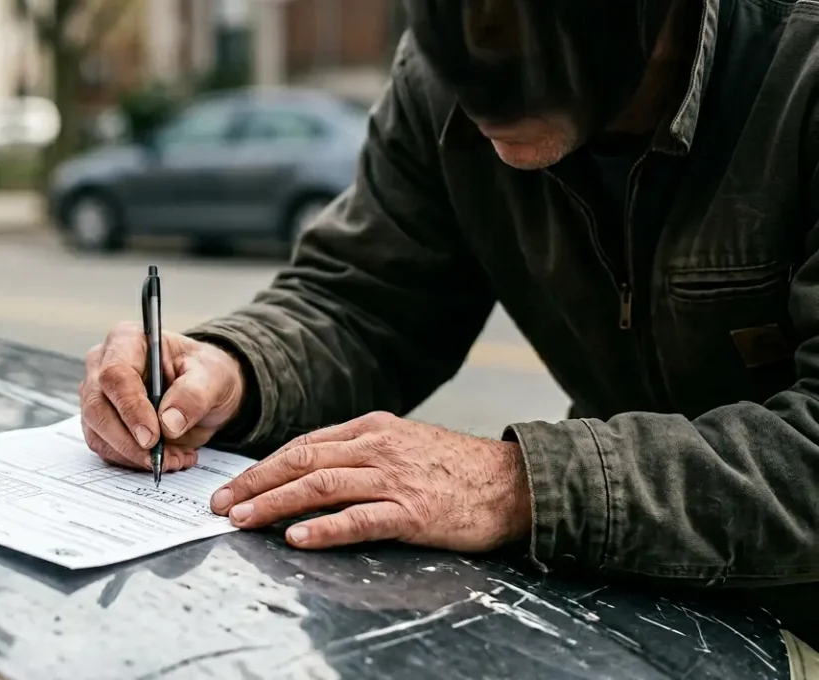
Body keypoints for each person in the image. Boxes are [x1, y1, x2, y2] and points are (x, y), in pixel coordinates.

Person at [79, 0, 819, 641]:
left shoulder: (800, 66)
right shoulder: (450, 62)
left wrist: (520, 485)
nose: (472, 102)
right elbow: (366, 300)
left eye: (525, 60)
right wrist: (235, 368)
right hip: (626, 602)